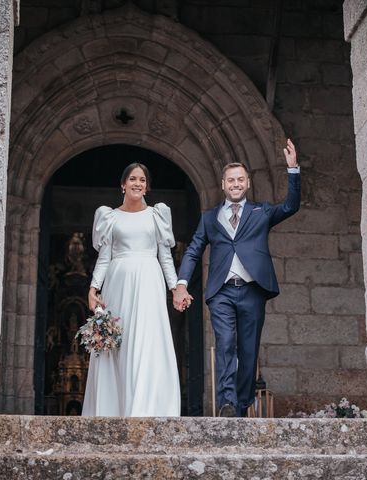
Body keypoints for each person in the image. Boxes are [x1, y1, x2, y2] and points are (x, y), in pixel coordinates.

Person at [173, 139, 300, 417]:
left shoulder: (261, 212)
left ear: (248, 183)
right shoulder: (209, 218)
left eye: (240, 179)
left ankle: (242, 403)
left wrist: (292, 170)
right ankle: (228, 402)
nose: (235, 184)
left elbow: (290, 207)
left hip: (252, 290)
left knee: (249, 349)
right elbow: (193, 251)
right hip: (221, 292)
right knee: (226, 343)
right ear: (222, 184)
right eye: (230, 180)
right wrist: (181, 284)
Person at [82, 163, 181, 417]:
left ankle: (145, 408)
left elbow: (166, 257)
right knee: (119, 343)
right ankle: (114, 408)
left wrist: (175, 287)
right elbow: (104, 257)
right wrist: (94, 287)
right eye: (133, 179)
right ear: (123, 184)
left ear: (147, 187)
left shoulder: (157, 215)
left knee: (147, 341)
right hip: (118, 282)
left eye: (142, 180)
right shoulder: (110, 217)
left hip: (149, 280)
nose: (138, 183)